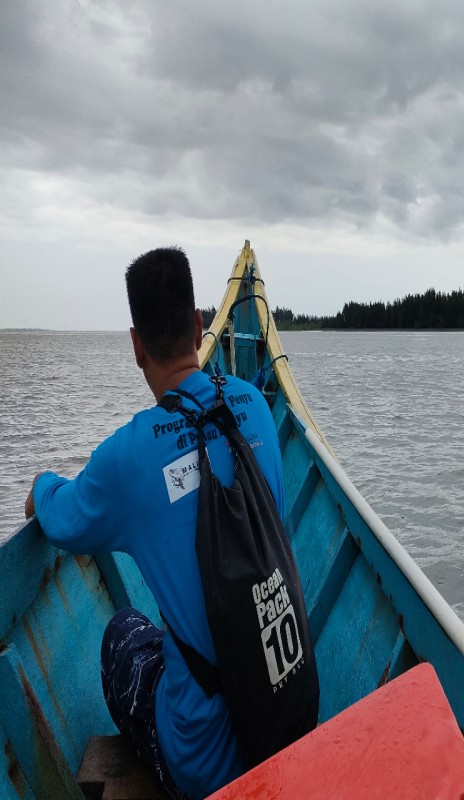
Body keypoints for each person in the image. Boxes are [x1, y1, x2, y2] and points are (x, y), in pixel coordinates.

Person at [25, 247, 286, 799]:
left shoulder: (129, 458)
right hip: (283, 715)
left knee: (125, 631)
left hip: (205, 765)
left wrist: (40, 486)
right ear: (197, 325)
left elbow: (62, 520)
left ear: (136, 345)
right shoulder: (256, 408)